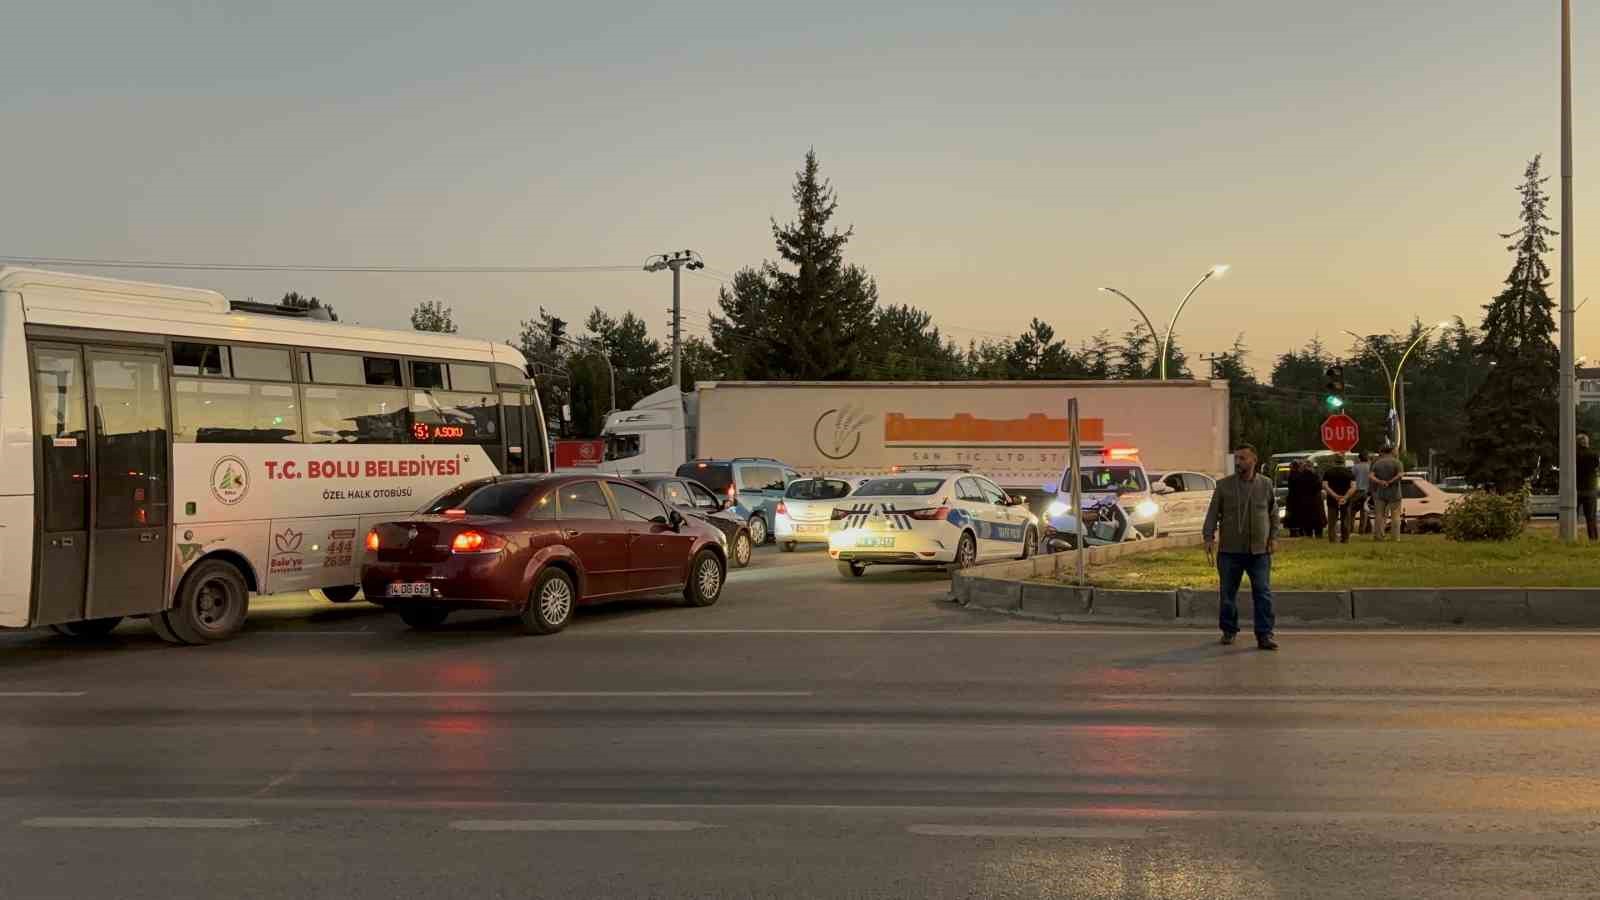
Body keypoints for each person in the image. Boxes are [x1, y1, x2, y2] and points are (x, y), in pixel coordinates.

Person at [1202, 443, 1280, 651]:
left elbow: (1273, 514)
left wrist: (1273, 537)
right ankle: (1229, 629)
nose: (1239, 462)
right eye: (1236, 458)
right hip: (1230, 551)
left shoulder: (1266, 484)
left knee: (1262, 592)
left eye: (1243, 458)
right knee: (1228, 593)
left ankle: (1264, 634)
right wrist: (1208, 537)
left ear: (1254, 459)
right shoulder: (1224, 485)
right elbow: (1212, 513)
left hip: (1259, 551)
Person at [1370, 445, 1404, 541]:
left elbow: (1371, 476)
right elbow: (1400, 475)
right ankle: (1395, 537)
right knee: (1395, 515)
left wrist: (1380, 482)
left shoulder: (1377, 463)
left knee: (1379, 515)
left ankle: (1379, 536)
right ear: (1391, 452)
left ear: (1383, 452)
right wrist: (1390, 481)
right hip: (1394, 492)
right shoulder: (1397, 462)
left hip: (1380, 492)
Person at [1322, 456, 1357, 544]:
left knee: (1332, 521)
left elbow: (1325, 485)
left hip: (1332, 499)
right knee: (1345, 519)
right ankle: (1345, 539)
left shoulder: (1328, 472)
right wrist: (1345, 497)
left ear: (1334, 462)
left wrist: (1335, 495)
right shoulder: (1349, 473)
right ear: (1344, 462)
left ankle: (1332, 539)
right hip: (1345, 500)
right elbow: (1353, 487)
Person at [1288, 459, 1325, 539]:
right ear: (1311, 467)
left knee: (1307, 522)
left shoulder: (1299, 477)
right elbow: (1319, 487)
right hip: (1315, 502)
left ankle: (1308, 535)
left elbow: (1297, 489)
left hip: (1304, 502)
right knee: (1317, 521)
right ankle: (1319, 535)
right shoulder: (1315, 476)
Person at [1578, 434, 1599, 542]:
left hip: (1576, 490)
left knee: (1572, 515)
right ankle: (1593, 539)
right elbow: (1596, 467)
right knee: (1591, 517)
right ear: (1587, 443)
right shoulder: (1593, 455)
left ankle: (1570, 537)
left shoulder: (1574, 455)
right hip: (1590, 489)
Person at [1352, 451, 1372, 534]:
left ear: (1359, 458)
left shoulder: (1355, 467)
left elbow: (1351, 479)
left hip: (1356, 492)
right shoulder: (1370, 467)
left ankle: (1350, 529)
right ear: (1367, 458)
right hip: (1367, 492)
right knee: (1364, 512)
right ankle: (1362, 531)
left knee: (1352, 511)